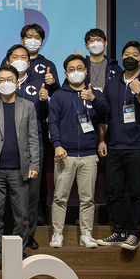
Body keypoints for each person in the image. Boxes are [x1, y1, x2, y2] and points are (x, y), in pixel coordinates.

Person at [96, 41, 140, 251]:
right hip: (114, 145)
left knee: (137, 192)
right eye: (126, 54)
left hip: (139, 146)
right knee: (113, 192)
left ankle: (135, 234)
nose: (129, 57)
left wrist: (139, 93)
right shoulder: (112, 82)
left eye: (134, 54)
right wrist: (102, 139)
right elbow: (105, 112)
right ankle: (119, 232)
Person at [0, 65, 40, 271]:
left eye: (10, 79)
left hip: (20, 169)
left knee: (21, 216)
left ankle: (18, 254)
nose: (6, 83)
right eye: (1, 80)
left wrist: (34, 164)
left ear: (17, 82)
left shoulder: (28, 106)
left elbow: (33, 137)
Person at [48, 54, 109, 249]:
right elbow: (52, 122)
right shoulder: (58, 95)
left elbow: (105, 112)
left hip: (89, 154)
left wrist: (93, 99)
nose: (76, 72)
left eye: (80, 68)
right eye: (72, 69)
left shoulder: (94, 92)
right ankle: (57, 234)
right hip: (65, 154)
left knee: (88, 198)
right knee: (60, 197)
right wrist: (57, 144)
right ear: (66, 73)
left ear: (86, 70)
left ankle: (86, 234)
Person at [4, 44, 48, 250]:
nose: (19, 60)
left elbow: (45, 115)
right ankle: (9, 236)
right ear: (8, 61)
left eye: (24, 57)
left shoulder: (38, 83)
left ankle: (28, 235)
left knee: (31, 195)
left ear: (29, 63)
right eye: (15, 57)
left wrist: (44, 101)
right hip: (7, 147)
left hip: (33, 145)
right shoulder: (2, 83)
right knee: (9, 195)